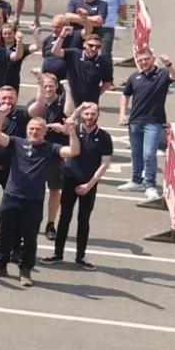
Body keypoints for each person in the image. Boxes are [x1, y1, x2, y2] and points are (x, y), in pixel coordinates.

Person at [0, 110, 80, 288]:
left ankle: (25, 270)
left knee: (29, 238)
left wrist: (71, 131)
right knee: (5, 234)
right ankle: (0, 266)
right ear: (27, 130)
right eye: (31, 128)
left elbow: (73, 151)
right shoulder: (16, 143)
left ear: (45, 132)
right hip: (11, 197)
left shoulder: (50, 148)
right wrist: (2, 117)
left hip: (33, 201)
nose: (34, 132)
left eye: (38, 129)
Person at [45, 100, 111, 269]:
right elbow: (67, 122)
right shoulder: (73, 130)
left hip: (89, 184)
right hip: (69, 179)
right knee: (64, 217)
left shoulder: (104, 137)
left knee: (84, 220)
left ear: (98, 115)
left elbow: (104, 164)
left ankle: (80, 256)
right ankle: (57, 253)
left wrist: (89, 185)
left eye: (93, 114)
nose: (89, 117)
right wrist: (80, 107)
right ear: (82, 115)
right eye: (87, 114)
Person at [120, 48, 173, 199]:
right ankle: (136, 181)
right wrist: (123, 114)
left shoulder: (162, 74)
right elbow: (125, 95)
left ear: (152, 58)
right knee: (136, 153)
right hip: (135, 121)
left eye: (146, 59)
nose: (144, 62)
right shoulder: (134, 77)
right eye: (140, 60)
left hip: (154, 122)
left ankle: (150, 185)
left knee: (149, 154)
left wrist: (169, 63)